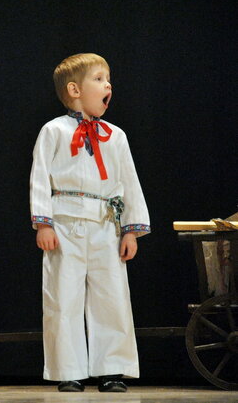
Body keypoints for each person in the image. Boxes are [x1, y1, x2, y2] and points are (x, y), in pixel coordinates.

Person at [29, 53, 150, 393]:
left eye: (108, 79)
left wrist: (131, 230)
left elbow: (129, 182)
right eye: (99, 78)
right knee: (62, 298)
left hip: (105, 227)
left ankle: (111, 369)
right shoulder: (53, 130)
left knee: (111, 298)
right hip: (65, 225)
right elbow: (39, 178)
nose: (107, 84)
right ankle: (69, 370)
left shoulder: (116, 135)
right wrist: (44, 223)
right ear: (74, 89)